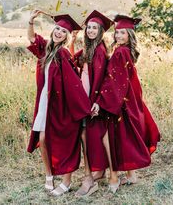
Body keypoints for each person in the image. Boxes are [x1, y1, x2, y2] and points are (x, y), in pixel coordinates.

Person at [27, 10, 93, 197]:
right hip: (44, 103)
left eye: (63, 31)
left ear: (66, 37)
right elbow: (32, 39)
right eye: (57, 29)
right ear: (53, 30)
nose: (59, 32)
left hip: (59, 105)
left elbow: (73, 83)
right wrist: (31, 21)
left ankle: (66, 181)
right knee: (42, 139)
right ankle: (49, 176)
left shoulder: (63, 54)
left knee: (64, 142)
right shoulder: (47, 49)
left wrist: (81, 107)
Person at [92, 14, 160, 193]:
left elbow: (114, 80)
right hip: (129, 98)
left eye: (122, 33)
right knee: (127, 136)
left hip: (121, 100)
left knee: (115, 137)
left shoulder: (120, 52)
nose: (118, 36)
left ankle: (115, 178)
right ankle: (131, 175)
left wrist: (100, 101)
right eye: (117, 33)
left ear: (130, 34)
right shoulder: (126, 50)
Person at [70, 10, 113, 197]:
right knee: (89, 135)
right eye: (88, 27)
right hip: (85, 97)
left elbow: (103, 79)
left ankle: (90, 177)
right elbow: (74, 60)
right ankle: (100, 172)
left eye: (94, 28)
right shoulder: (89, 48)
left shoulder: (100, 50)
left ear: (101, 31)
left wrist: (96, 102)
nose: (90, 30)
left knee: (88, 135)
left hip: (92, 100)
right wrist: (71, 41)